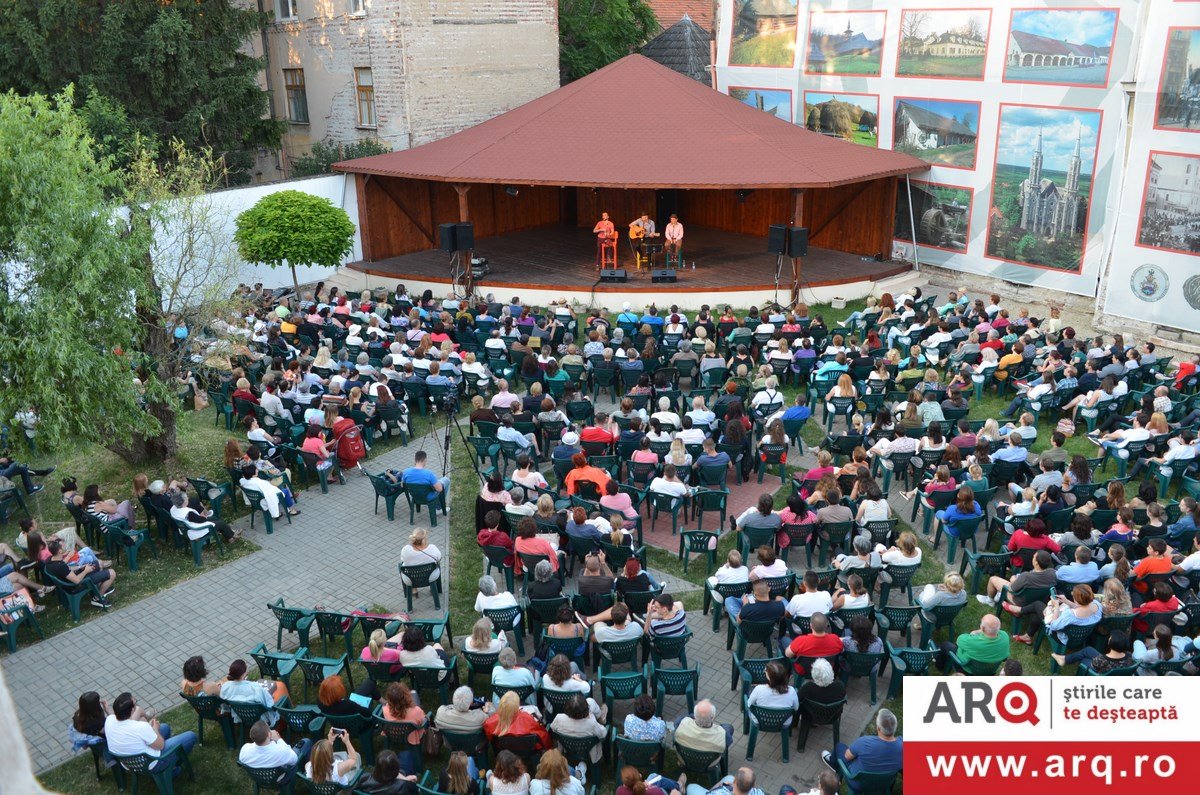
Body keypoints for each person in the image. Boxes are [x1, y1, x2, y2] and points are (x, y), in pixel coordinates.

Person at [104, 692, 197, 776]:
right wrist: (155, 729)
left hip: (129, 764)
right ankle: (170, 770)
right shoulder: (140, 727)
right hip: (151, 764)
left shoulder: (109, 720)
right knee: (191, 736)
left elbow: (128, 728)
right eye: (135, 702)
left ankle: (170, 767)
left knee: (165, 728)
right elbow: (160, 746)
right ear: (132, 710)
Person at [822, 708, 902, 792]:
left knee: (839, 746)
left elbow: (846, 757)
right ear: (895, 727)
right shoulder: (904, 747)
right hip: (885, 783)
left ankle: (833, 764)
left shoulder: (864, 742)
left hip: (857, 784)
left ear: (878, 728)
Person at [43, 539, 115, 609]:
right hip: (75, 586)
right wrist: (86, 571)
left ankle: (100, 588)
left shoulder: (49, 560)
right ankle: (97, 598)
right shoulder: (60, 566)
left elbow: (66, 568)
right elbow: (77, 580)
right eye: (61, 547)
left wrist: (80, 567)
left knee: (98, 563)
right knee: (112, 573)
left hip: (67, 581)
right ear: (59, 551)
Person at [239, 719, 313, 784]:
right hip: (280, 779)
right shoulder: (280, 751)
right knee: (306, 742)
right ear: (269, 734)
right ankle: (308, 773)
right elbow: (294, 760)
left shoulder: (244, 750)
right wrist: (279, 739)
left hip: (259, 779)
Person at [934, 614, 1010, 673]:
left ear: (982, 628)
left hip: (968, 669)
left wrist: (974, 633)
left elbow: (959, 640)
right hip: (990, 671)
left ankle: (939, 666)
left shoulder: (972, 642)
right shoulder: (1005, 637)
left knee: (946, 645)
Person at [221, 658, 286, 725]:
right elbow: (269, 705)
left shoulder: (225, 687)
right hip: (260, 718)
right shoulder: (255, 688)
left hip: (240, 717)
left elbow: (225, 706)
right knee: (277, 695)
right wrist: (270, 697)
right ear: (244, 673)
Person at [483, 691, 551, 750]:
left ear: (501, 704)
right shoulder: (528, 719)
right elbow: (543, 736)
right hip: (528, 751)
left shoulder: (490, 722)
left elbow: (491, 738)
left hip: (504, 752)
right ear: (517, 706)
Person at [549, 694, 606, 763]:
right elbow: (603, 734)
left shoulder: (559, 718)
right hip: (588, 753)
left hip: (568, 749)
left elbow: (553, 728)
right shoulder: (592, 724)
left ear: (567, 708)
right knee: (602, 709)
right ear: (586, 709)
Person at [745, 661, 798, 727]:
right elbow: (796, 708)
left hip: (760, 720)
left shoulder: (758, 689)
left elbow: (749, 704)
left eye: (766, 671)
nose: (765, 671)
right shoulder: (792, 691)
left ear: (770, 677)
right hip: (783, 722)